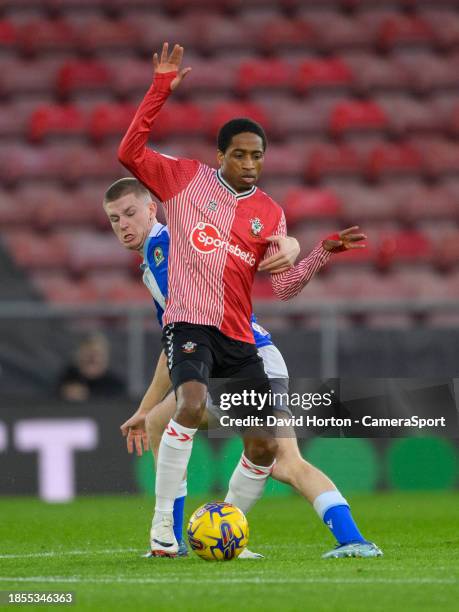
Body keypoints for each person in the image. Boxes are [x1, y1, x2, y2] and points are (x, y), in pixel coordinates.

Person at [116, 42, 375, 558]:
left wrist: (320, 251)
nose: (250, 163)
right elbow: (129, 152)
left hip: (240, 338)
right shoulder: (185, 179)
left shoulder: (270, 214)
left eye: (258, 155)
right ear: (220, 155)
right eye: (240, 153)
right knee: (187, 407)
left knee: (262, 448)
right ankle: (164, 537)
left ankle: (228, 531)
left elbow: (283, 288)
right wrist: (160, 88)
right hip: (190, 325)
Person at [104, 178, 382, 560]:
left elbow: (189, 333)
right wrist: (144, 407)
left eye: (131, 213)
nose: (122, 224)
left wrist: (306, 249)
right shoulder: (155, 256)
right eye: (114, 218)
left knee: (283, 461)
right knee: (157, 422)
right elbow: (177, 341)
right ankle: (178, 541)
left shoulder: (165, 249)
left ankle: (352, 540)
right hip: (227, 361)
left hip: (250, 359)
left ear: (153, 209)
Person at [58, 333, 125, 402]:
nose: (92, 358)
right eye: (88, 354)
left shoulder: (115, 385)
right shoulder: (67, 378)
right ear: (78, 356)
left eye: (96, 354)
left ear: (105, 358)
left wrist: (87, 395)